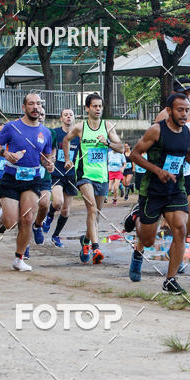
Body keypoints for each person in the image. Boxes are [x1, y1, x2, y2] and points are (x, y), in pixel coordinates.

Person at [127, 92, 190, 293]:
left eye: (187, 110)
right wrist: (157, 170)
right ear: (169, 111)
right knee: (148, 240)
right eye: (180, 110)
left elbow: (188, 153)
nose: (184, 114)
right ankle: (136, 217)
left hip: (175, 189)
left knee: (180, 229)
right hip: (152, 191)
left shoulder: (187, 132)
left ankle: (170, 280)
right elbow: (134, 155)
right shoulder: (156, 131)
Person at [0, 92, 53, 272]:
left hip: (32, 180)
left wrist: (49, 164)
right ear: (24, 107)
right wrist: (5, 154)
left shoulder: (46, 132)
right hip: (12, 177)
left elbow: (46, 157)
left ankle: (19, 258)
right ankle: (3, 215)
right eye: (31, 104)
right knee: (10, 223)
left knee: (27, 219)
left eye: (38, 104)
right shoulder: (11, 127)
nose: (35, 107)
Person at [63, 93, 124, 264]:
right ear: (87, 108)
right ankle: (96, 248)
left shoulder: (107, 126)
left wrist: (107, 143)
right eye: (94, 106)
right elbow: (66, 140)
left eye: (100, 106)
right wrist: (68, 159)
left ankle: (86, 241)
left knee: (96, 214)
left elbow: (120, 147)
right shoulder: (80, 127)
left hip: (102, 176)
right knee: (92, 210)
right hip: (84, 174)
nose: (98, 109)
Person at [155, 80, 190, 272]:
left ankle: (179, 244)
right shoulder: (164, 114)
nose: (189, 95)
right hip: (169, 169)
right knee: (158, 216)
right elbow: (156, 137)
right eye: (184, 92)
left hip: (189, 168)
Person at [43, 108, 79, 248]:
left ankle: (56, 235)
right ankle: (50, 216)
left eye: (71, 114)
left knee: (65, 210)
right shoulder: (55, 133)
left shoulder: (78, 135)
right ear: (61, 118)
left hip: (70, 175)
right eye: (66, 115)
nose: (68, 117)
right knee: (58, 202)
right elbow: (47, 149)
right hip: (57, 172)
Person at [32, 104, 54, 248]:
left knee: (45, 204)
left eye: (42, 115)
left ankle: (38, 225)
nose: (40, 117)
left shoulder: (48, 133)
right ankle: (23, 249)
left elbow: (51, 154)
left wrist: (50, 164)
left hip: (44, 176)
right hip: (27, 176)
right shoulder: (24, 132)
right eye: (38, 114)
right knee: (27, 211)